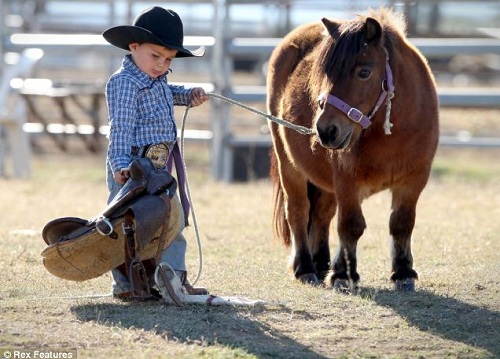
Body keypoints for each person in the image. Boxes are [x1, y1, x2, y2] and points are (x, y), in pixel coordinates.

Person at [102, 6, 209, 300]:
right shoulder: (124, 83)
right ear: (134, 47)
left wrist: (188, 95)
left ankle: (173, 278)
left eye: (169, 60)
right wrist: (120, 165)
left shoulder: (155, 78)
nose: (161, 65)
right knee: (128, 226)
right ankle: (126, 286)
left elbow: (166, 91)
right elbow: (120, 128)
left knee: (171, 219)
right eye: (155, 56)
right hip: (133, 166)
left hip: (159, 169)